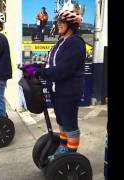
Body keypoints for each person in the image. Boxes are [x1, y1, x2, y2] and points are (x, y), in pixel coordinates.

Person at [24, 3, 84, 160]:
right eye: (58, 22)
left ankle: (70, 155)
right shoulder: (61, 42)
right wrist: (31, 67)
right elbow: (50, 64)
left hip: (68, 91)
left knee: (69, 123)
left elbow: (62, 70)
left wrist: (38, 72)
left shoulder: (76, 43)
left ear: (71, 24)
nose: (58, 25)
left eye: (61, 22)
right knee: (61, 121)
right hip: (57, 90)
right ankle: (64, 147)